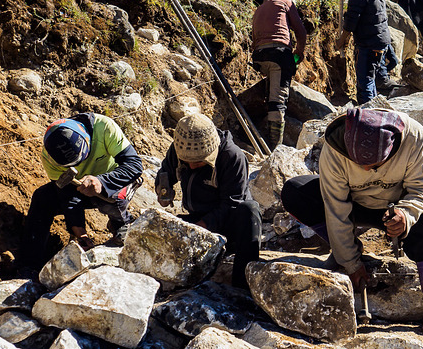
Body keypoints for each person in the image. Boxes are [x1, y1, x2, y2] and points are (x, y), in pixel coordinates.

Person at [281, 107, 423, 333]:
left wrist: (405, 215)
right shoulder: (335, 147)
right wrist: (350, 262)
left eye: (374, 165)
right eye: (358, 162)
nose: (365, 169)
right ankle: (342, 250)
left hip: (395, 207)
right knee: (296, 192)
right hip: (354, 205)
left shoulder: (415, 138)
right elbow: (336, 207)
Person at [19, 113, 143, 270]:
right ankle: (29, 265)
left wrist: (102, 182)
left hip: (116, 179)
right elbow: (66, 194)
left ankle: (121, 222)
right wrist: (78, 229)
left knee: (110, 197)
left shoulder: (104, 127)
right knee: (42, 198)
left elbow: (134, 165)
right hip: (80, 187)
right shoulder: (50, 159)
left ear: (86, 138)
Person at [155, 113, 262, 289]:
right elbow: (166, 171)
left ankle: (242, 287)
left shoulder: (232, 157)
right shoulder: (180, 147)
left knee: (250, 210)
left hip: (230, 224)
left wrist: (199, 229)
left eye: (198, 162)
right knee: (158, 226)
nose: (191, 166)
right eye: (187, 161)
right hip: (198, 217)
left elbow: (231, 204)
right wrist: (162, 189)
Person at [251, 0, 308, 148]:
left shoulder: (259, 9)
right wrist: (299, 51)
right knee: (278, 100)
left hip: (259, 56)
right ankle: (276, 146)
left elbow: (254, 39)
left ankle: (265, 121)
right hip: (279, 54)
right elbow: (301, 32)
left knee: (272, 85)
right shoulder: (285, 3)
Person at [338, 0, 392, 105]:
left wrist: (342, 40)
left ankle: (368, 115)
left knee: (365, 82)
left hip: (368, 42)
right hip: (380, 39)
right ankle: (374, 111)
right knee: (370, 79)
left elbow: (352, 18)